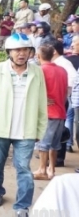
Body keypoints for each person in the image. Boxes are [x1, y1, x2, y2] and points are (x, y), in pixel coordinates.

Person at [0, 33, 47, 217]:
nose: (21, 53)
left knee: (24, 168)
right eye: (17, 50)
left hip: (26, 131)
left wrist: (40, 129)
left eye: (25, 49)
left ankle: (22, 206)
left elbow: (42, 102)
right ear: (9, 52)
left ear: (31, 52)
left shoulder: (37, 72)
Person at [32, 44, 67, 181]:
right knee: (55, 144)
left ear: (38, 56)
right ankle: (51, 169)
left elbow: (35, 91)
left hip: (48, 113)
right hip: (60, 111)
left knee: (43, 143)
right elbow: (65, 93)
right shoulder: (63, 71)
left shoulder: (40, 71)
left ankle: (42, 169)